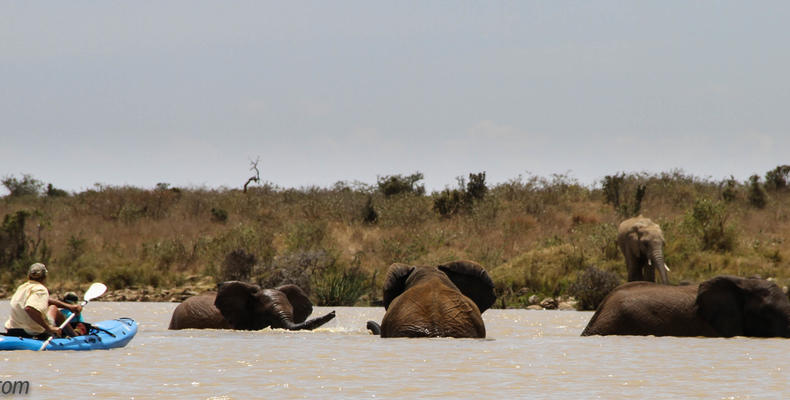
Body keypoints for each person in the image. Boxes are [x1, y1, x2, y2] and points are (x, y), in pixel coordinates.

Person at [3, 263, 82, 339]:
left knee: (51, 307)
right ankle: (74, 336)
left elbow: (45, 301)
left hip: (13, 330)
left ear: (28, 276)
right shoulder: (40, 289)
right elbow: (29, 309)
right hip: (32, 331)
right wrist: (49, 328)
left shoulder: (22, 287)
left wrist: (69, 307)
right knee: (53, 308)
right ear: (45, 277)